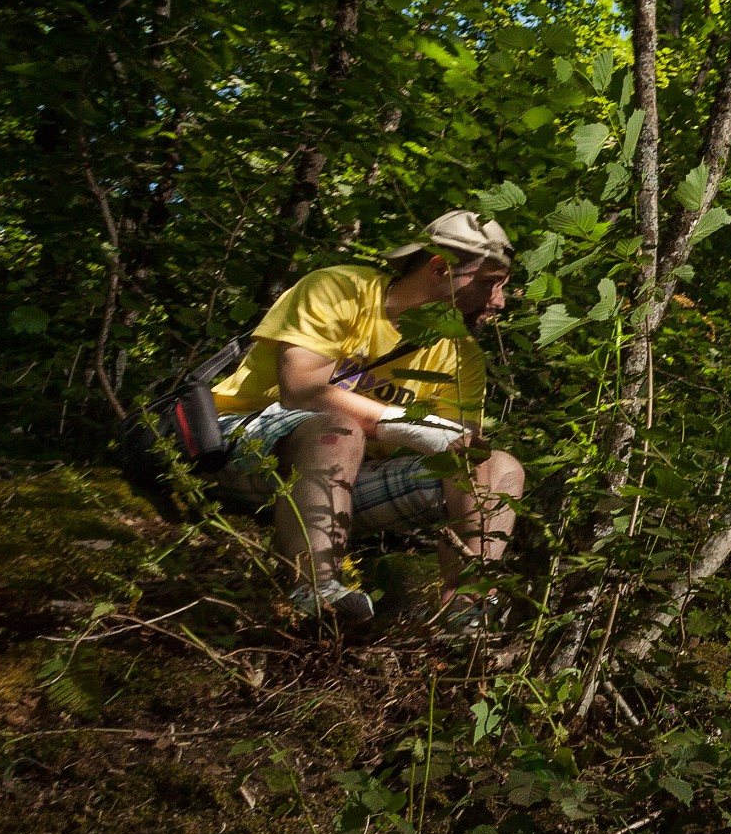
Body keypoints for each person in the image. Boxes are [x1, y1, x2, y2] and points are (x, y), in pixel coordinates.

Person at [209, 209, 522, 631]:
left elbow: (464, 451)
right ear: (439, 268)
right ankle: (316, 592)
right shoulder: (341, 289)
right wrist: (415, 427)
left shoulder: (460, 353)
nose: (499, 301)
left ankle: (465, 611)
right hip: (244, 449)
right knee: (337, 428)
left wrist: (456, 445)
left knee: (500, 467)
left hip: (342, 484)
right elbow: (300, 388)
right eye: (489, 283)